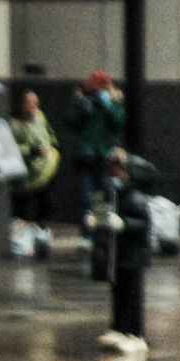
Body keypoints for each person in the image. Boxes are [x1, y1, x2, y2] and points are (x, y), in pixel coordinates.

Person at [90, 148, 152, 361]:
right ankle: (119, 327)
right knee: (119, 294)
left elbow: (143, 224)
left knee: (132, 296)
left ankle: (135, 333)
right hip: (120, 256)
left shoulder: (136, 198)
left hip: (134, 256)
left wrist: (124, 224)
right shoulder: (118, 194)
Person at [64, 69, 124, 243]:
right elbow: (72, 122)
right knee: (86, 197)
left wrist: (110, 106)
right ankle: (87, 234)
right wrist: (83, 105)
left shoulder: (113, 102)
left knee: (105, 195)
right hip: (86, 155)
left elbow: (118, 122)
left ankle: (102, 232)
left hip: (104, 156)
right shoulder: (84, 101)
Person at [8, 87, 60, 259]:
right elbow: (11, 147)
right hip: (26, 174)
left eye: (35, 103)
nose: (33, 106)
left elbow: (48, 133)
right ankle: (22, 242)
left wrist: (52, 145)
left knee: (46, 204)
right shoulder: (14, 124)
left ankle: (40, 236)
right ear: (21, 104)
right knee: (23, 208)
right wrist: (31, 150)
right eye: (29, 103)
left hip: (47, 169)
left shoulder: (40, 116)